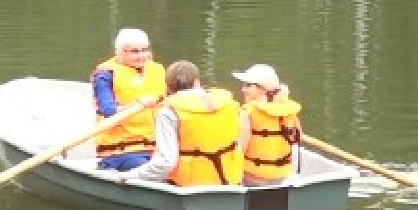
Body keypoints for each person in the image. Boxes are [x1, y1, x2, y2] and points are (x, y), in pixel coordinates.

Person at [115, 61, 243, 187]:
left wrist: (129, 175)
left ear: (168, 88)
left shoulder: (168, 111)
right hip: (230, 182)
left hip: (190, 187)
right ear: (197, 81)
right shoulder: (228, 103)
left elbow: (166, 162)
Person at [91, 29, 165, 171]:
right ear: (119, 52)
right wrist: (138, 104)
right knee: (150, 170)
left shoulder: (158, 70)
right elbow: (108, 110)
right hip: (120, 152)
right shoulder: (105, 75)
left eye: (145, 50)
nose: (142, 56)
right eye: (135, 51)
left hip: (156, 148)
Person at [234, 63, 303, 186]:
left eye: (248, 85)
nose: (243, 89)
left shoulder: (247, 113)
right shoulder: (289, 111)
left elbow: (239, 151)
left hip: (252, 179)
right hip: (283, 177)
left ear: (262, 89)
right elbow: (298, 138)